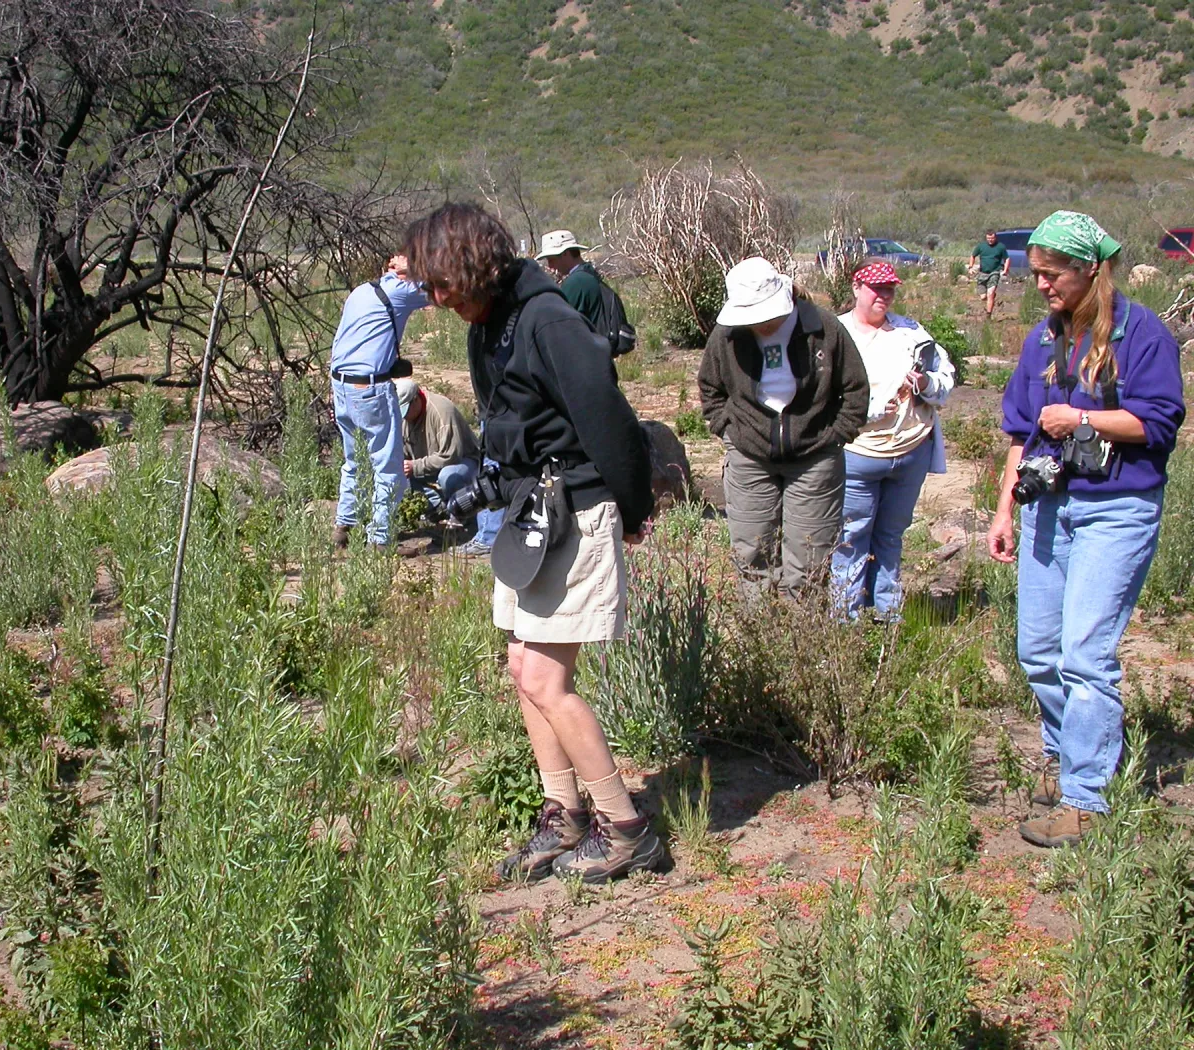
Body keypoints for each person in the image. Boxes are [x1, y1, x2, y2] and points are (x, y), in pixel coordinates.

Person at [404, 202, 663, 884]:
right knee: (522, 665)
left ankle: (627, 828)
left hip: (577, 506)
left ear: (470, 267)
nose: (435, 302)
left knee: (547, 677)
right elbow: (510, 428)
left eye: (441, 285)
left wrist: (633, 509)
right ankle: (564, 813)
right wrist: (486, 485)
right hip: (532, 514)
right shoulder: (489, 325)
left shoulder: (548, 318)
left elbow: (610, 420)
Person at [987, 210, 1185, 847]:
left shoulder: (1140, 332)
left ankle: (1086, 799)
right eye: (1035, 273)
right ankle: (1064, 753)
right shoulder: (1043, 339)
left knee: (1085, 655)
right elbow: (1021, 430)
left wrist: (1086, 419)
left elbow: (1159, 423)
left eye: (1052, 274)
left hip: (1116, 510)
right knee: (1038, 651)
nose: (1041, 284)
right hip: (1050, 505)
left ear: (1089, 269)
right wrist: (1004, 508)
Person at [698, 256, 869, 595]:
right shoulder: (727, 335)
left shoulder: (823, 327)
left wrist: (835, 436)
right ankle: (759, 640)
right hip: (749, 457)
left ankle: (799, 644)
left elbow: (855, 388)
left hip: (815, 459)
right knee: (751, 558)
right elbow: (710, 388)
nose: (759, 324)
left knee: (809, 565)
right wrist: (729, 432)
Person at [831, 260, 956, 621]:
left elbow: (944, 379)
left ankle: (887, 615)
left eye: (890, 289)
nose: (884, 296)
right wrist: (868, 409)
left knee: (891, 535)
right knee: (851, 538)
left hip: (910, 451)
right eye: (876, 288)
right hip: (857, 453)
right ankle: (845, 621)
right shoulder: (837, 334)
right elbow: (820, 395)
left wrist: (927, 384)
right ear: (856, 287)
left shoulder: (912, 332)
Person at [328, 254, 427, 550]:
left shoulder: (361, 290)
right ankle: (380, 539)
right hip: (369, 388)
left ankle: (344, 526)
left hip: (340, 384)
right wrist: (414, 270)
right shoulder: (402, 292)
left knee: (354, 460)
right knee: (388, 466)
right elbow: (442, 287)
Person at [393, 378, 481, 517]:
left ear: (416, 399)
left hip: (463, 462)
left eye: (405, 411)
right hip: (430, 466)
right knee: (394, 474)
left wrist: (414, 466)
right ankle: (439, 505)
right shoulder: (404, 417)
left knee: (448, 477)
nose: (404, 418)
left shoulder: (441, 411)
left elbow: (451, 455)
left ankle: (462, 514)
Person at [535, 229, 602, 328]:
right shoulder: (589, 273)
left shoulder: (576, 282)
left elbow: (557, 322)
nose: (549, 266)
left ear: (566, 253)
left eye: (551, 259)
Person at [971, 229, 1011, 320]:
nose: (990, 240)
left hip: (994, 272)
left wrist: (1005, 270)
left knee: (990, 293)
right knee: (983, 297)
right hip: (982, 273)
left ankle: (988, 316)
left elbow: (1007, 259)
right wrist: (970, 267)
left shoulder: (1000, 247)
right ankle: (991, 297)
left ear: (995, 237)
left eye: (992, 238)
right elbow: (973, 255)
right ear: (986, 237)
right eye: (989, 238)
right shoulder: (981, 246)